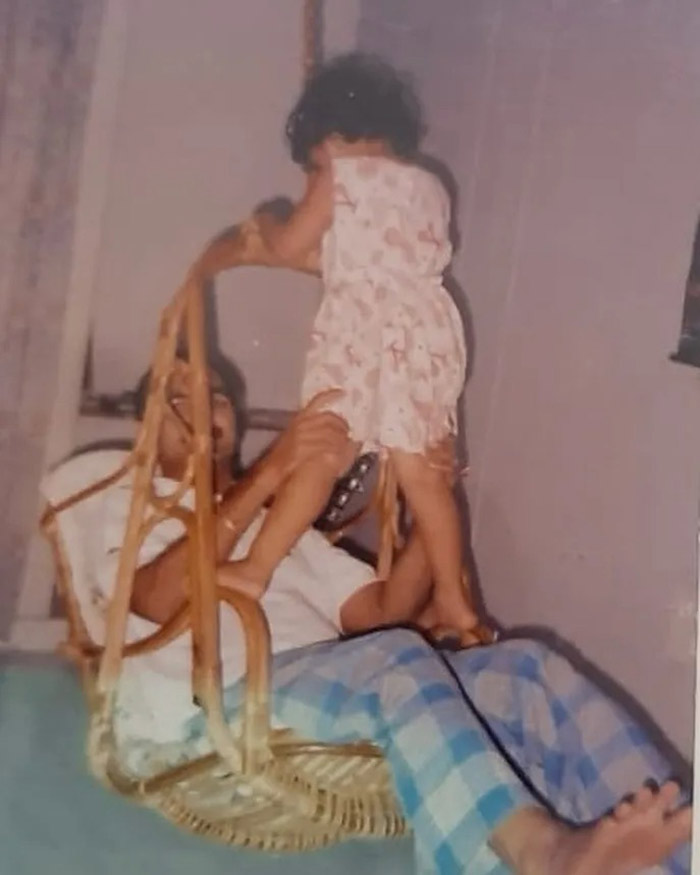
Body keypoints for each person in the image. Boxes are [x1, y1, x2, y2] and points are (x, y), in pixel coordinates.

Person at [86, 358, 691, 875]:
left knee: (526, 668)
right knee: (397, 660)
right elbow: (151, 601)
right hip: (227, 702)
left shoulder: (289, 535)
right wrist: (274, 469)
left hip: (339, 686)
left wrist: (437, 498)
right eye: (177, 398)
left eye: (217, 396)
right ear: (143, 425)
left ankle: (677, 849)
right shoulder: (126, 504)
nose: (205, 407)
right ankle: (543, 853)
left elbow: (384, 610)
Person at [222, 53, 477, 643]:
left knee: (324, 451)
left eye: (312, 166)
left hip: (360, 331)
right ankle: (454, 599)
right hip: (428, 330)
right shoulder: (432, 186)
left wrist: (270, 219)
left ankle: (257, 568)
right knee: (424, 477)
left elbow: (290, 248)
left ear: (332, 140)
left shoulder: (341, 177)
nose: (313, 178)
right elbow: (369, 256)